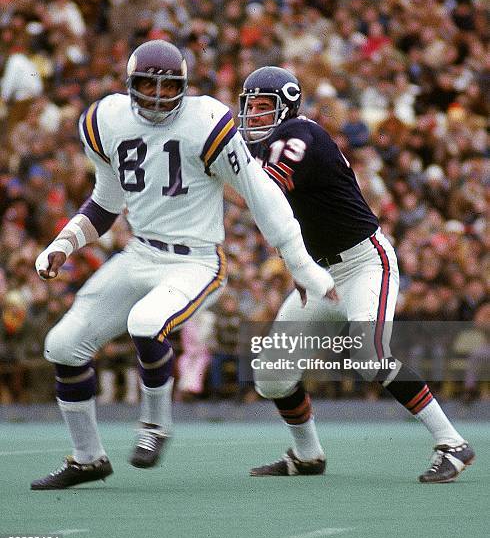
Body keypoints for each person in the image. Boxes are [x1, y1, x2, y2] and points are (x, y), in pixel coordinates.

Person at [30, 41, 336, 490]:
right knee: (62, 344)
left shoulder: (206, 121)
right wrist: (64, 242)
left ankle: (155, 427)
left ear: (184, 87)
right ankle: (87, 457)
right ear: (129, 84)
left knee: (145, 321)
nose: (156, 95)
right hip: (140, 252)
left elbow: (260, 194)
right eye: (147, 84)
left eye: (167, 85)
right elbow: (106, 202)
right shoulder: (105, 120)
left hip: (195, 260)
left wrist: (301, 264)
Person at [238, 66, 475, 483]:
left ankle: (451, 442)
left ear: (288, 107)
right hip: (320, 275)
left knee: (370, 356)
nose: (255, 115)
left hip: (365, 263)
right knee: (272, 374)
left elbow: (268, 193)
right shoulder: (268, 146)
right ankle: (308, 454)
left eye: (264, 107)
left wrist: (219, 164)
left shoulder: (299, 136)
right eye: (250, 106)